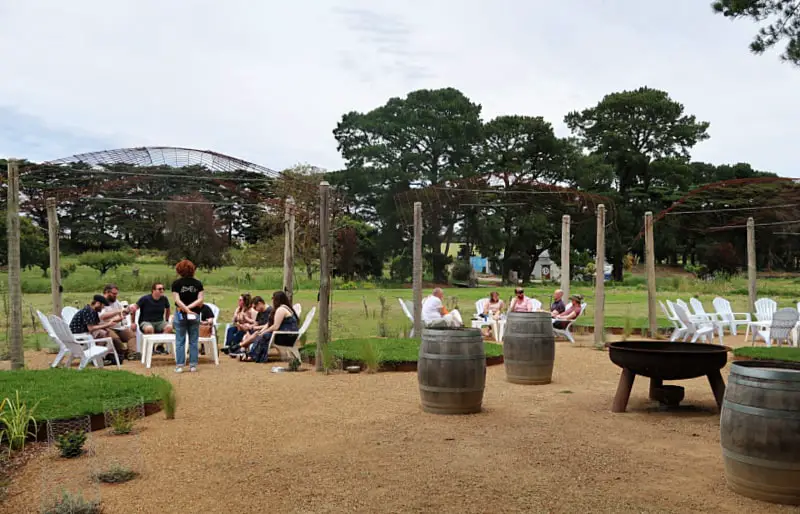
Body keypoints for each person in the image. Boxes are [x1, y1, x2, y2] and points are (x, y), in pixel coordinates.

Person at [242, 291, 300, 363]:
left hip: (287, 336)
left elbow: (275, 326)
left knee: (264, 336)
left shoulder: (281, 310)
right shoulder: (282, 308)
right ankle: (252, 354)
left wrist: (264, 332)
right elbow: (269, 324)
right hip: (284, 334)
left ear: (277, 299)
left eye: (273, 298)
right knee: (261, 334)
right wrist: (262, 331)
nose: (272, 300)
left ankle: (252, 356)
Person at [69, 294, 124, 363]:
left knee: (104, 333)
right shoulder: (88, 311)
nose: (103, 308)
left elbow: (97, 325)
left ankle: (99, 356)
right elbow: (91, 328)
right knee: (103, 334)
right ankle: (96, 356)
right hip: (79, 336)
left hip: (82, 334)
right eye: (103, 306)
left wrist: (109, 324)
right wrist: (107, 324)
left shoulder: (92, 311)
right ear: (98, 303)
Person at [171, 259, 204, 373]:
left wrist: (185, 309)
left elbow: (177, 300)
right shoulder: (198, 283)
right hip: (195, 314)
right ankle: (193, 365)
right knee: (193, 340)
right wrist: (190, 309)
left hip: (181, 313)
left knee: (180, 340)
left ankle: (180, 365)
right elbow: (200, 299)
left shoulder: (176, 284)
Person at [99, 283, 139, 360]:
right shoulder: (100, 302)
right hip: (106, 327)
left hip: (118, 327)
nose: (115, 295)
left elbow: (121, 314)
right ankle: (124, 352)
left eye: (116, 294)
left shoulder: (116, 302)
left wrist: (126, 311)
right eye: (114, 294)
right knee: (115, 338)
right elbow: (102, 317)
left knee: (131, 335)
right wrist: (118, 314)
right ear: (107, 292)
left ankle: (132, 353)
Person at [136, 282, 173, 355]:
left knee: (169, 327)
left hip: (159, 322)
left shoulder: (164, 299)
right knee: (149, 328)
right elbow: (134, 308)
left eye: (163, 289)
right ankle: (151, 348)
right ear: (153, 290)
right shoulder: (145, 299)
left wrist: (166, 320)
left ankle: (160, 346)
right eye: (159, 289)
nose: (162, 290)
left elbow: (168, 309)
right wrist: (133, 322)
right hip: (146, 321)